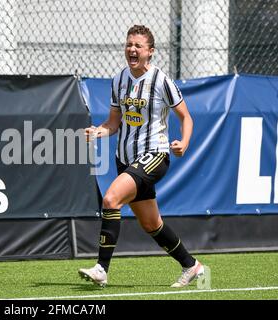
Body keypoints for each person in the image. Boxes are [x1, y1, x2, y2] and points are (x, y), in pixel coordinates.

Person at [78, 25, 203, 288]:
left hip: (154, 154)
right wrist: (99, 132)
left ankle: (101, 268)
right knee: (151, 223)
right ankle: (191, 265)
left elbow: (186, 117)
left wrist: (185, 143)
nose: (132, 49)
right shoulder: (119, 80)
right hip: (125, 160)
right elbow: (114, 123)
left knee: (111, 199)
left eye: (138, 46)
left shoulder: (161, 81)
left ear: (150, 52)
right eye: (129, 44)